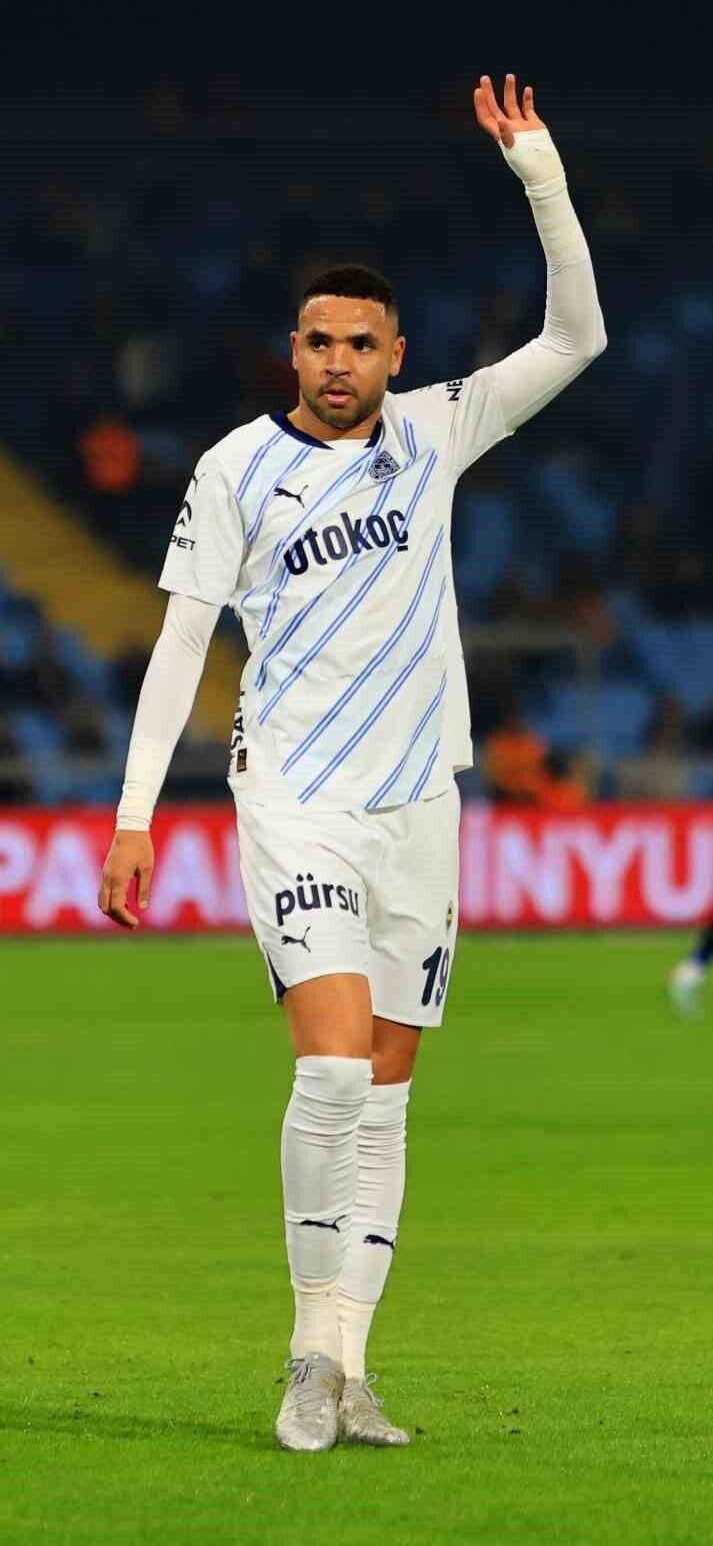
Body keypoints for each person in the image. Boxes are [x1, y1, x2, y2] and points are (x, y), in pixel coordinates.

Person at [98, 75, 606, 1451]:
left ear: (396, 354)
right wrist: (136, 815)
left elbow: (578, 336)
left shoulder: (438, 430)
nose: (336, 362)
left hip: (419, 807)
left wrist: (541, 175)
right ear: (293, 350)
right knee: (328, 1076)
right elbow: (180, 641)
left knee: (384, 1097)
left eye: (361, 344)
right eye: (317, 341)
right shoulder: (234, 471)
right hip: (296, 802)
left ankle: (348, 1367)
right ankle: (304, 1356)